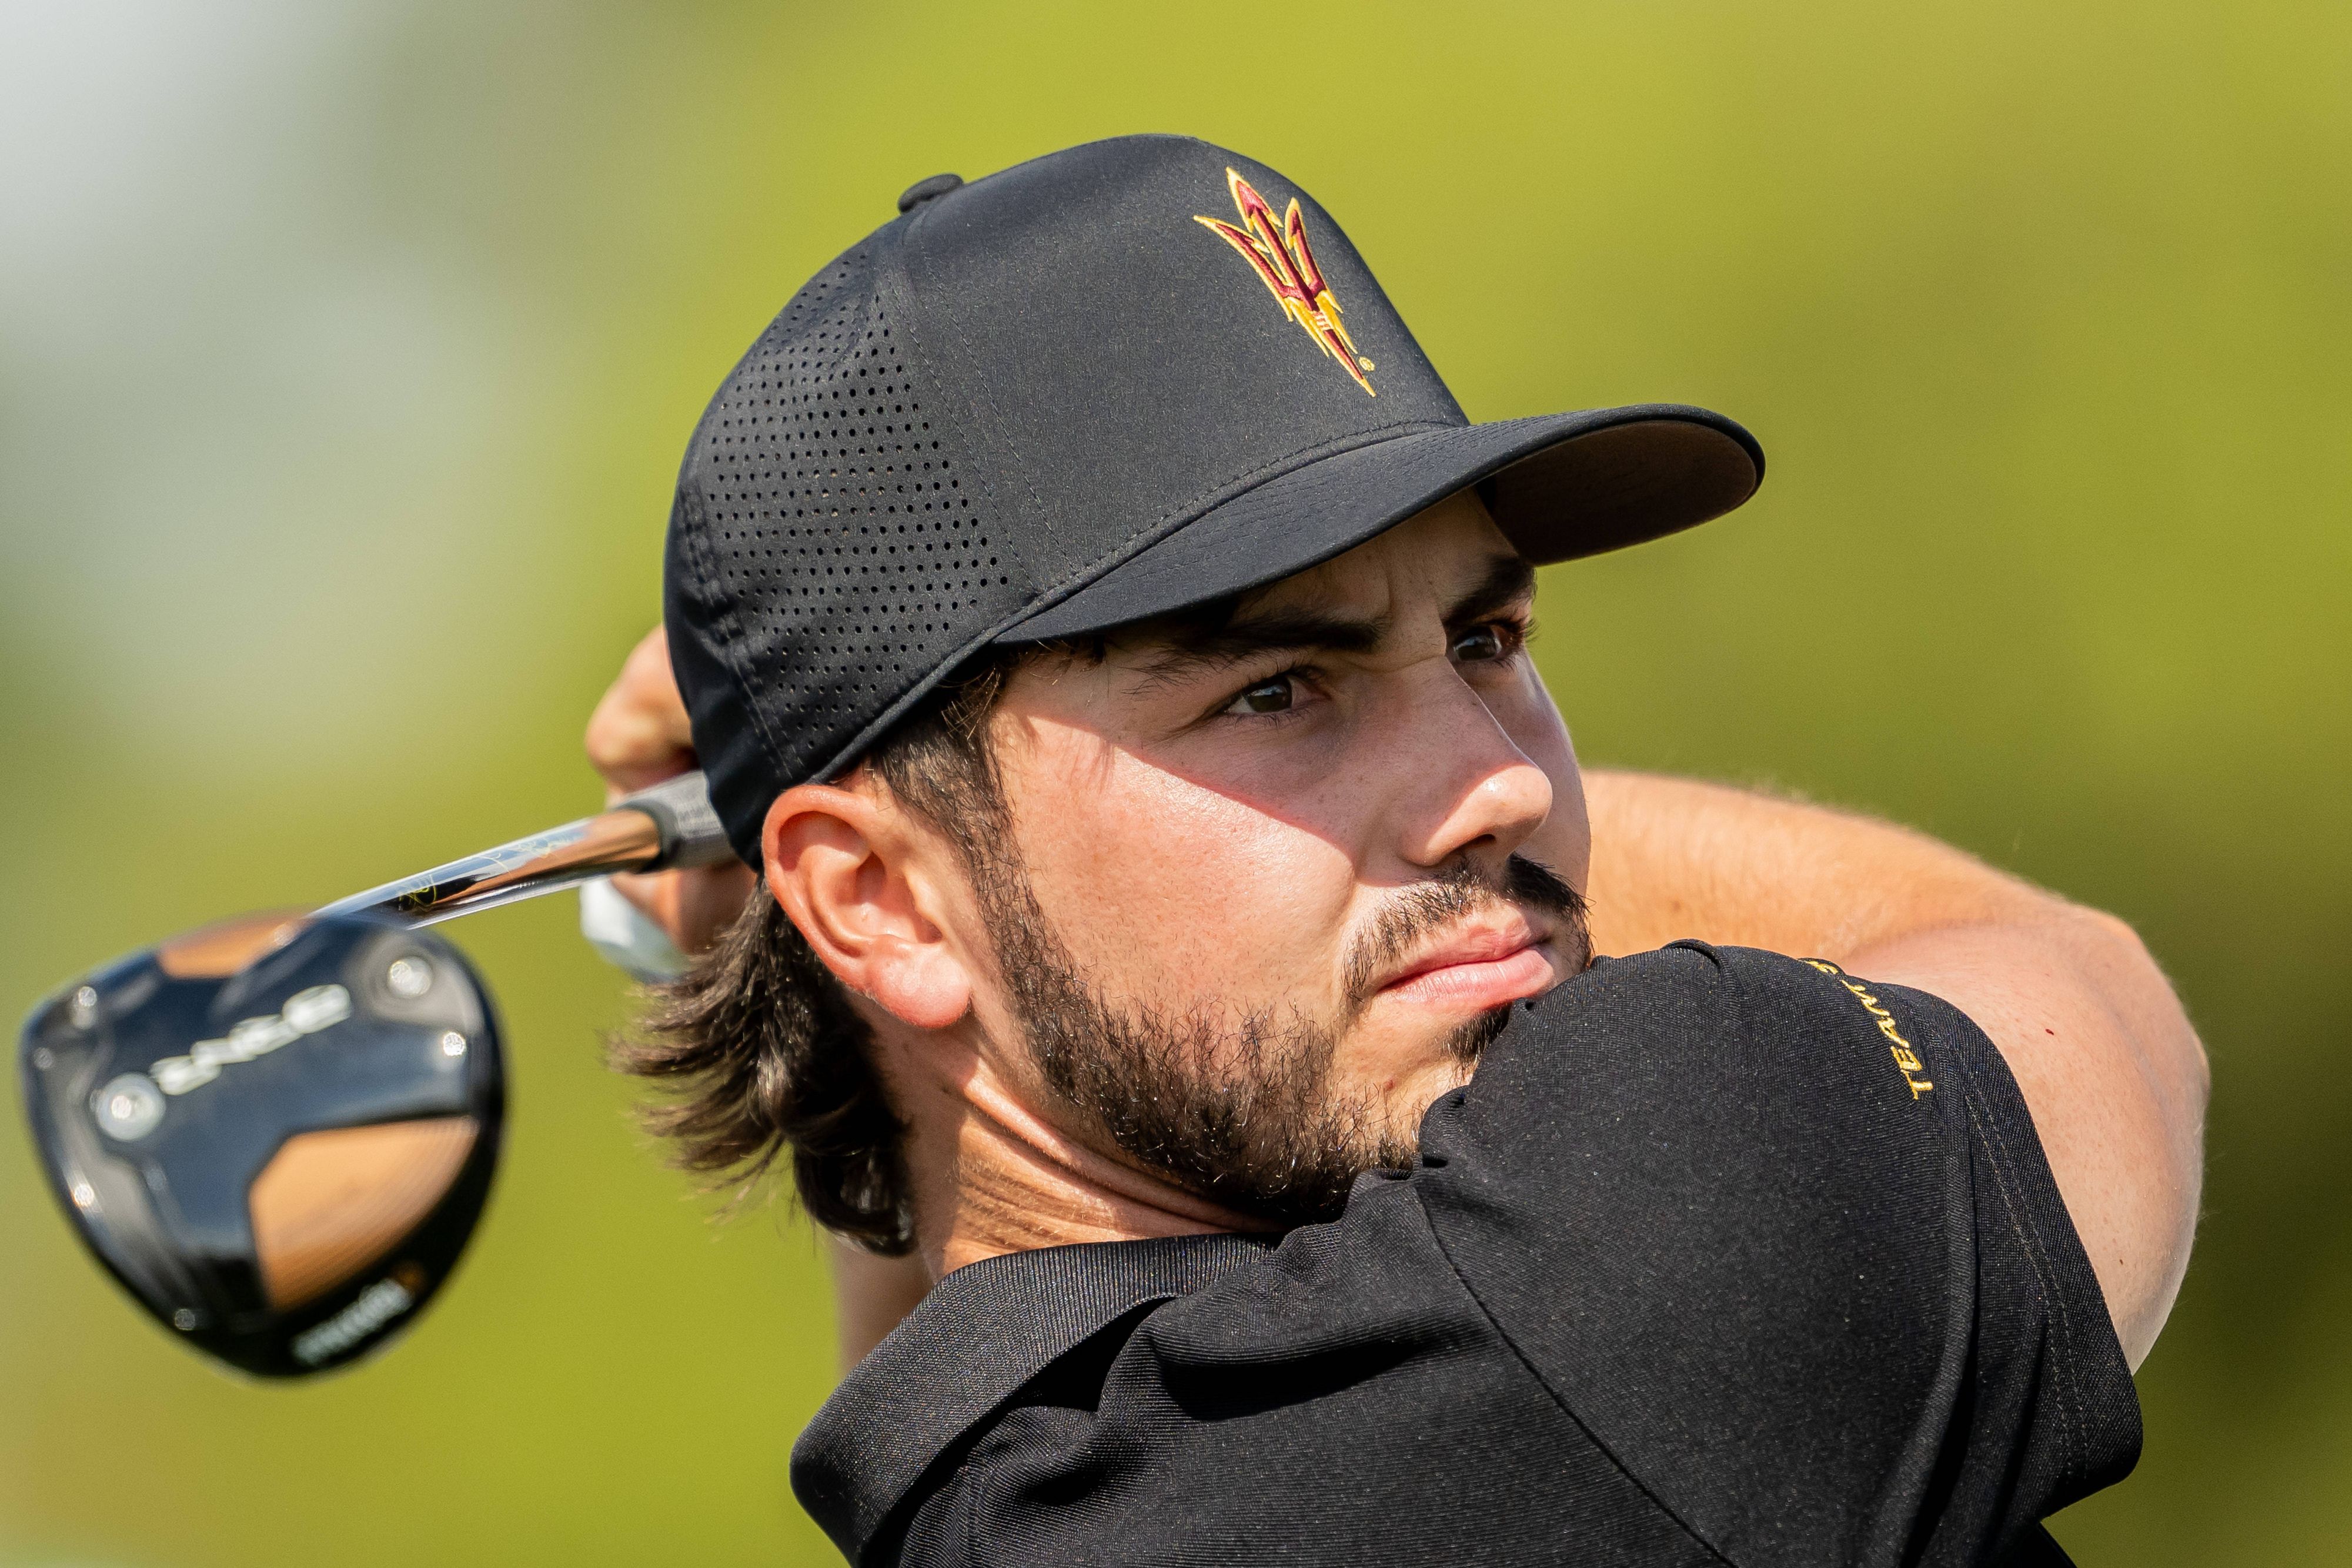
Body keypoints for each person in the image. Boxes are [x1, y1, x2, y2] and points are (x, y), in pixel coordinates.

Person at [582, 136, 2206, 1566]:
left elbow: (959, 1267)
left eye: (1488, 635)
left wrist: (858, 930)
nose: (1498, 784)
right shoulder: (1649, 1224)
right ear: (883, 902)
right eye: (1279, 687)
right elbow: (2083, 989)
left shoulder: (993, 1484)